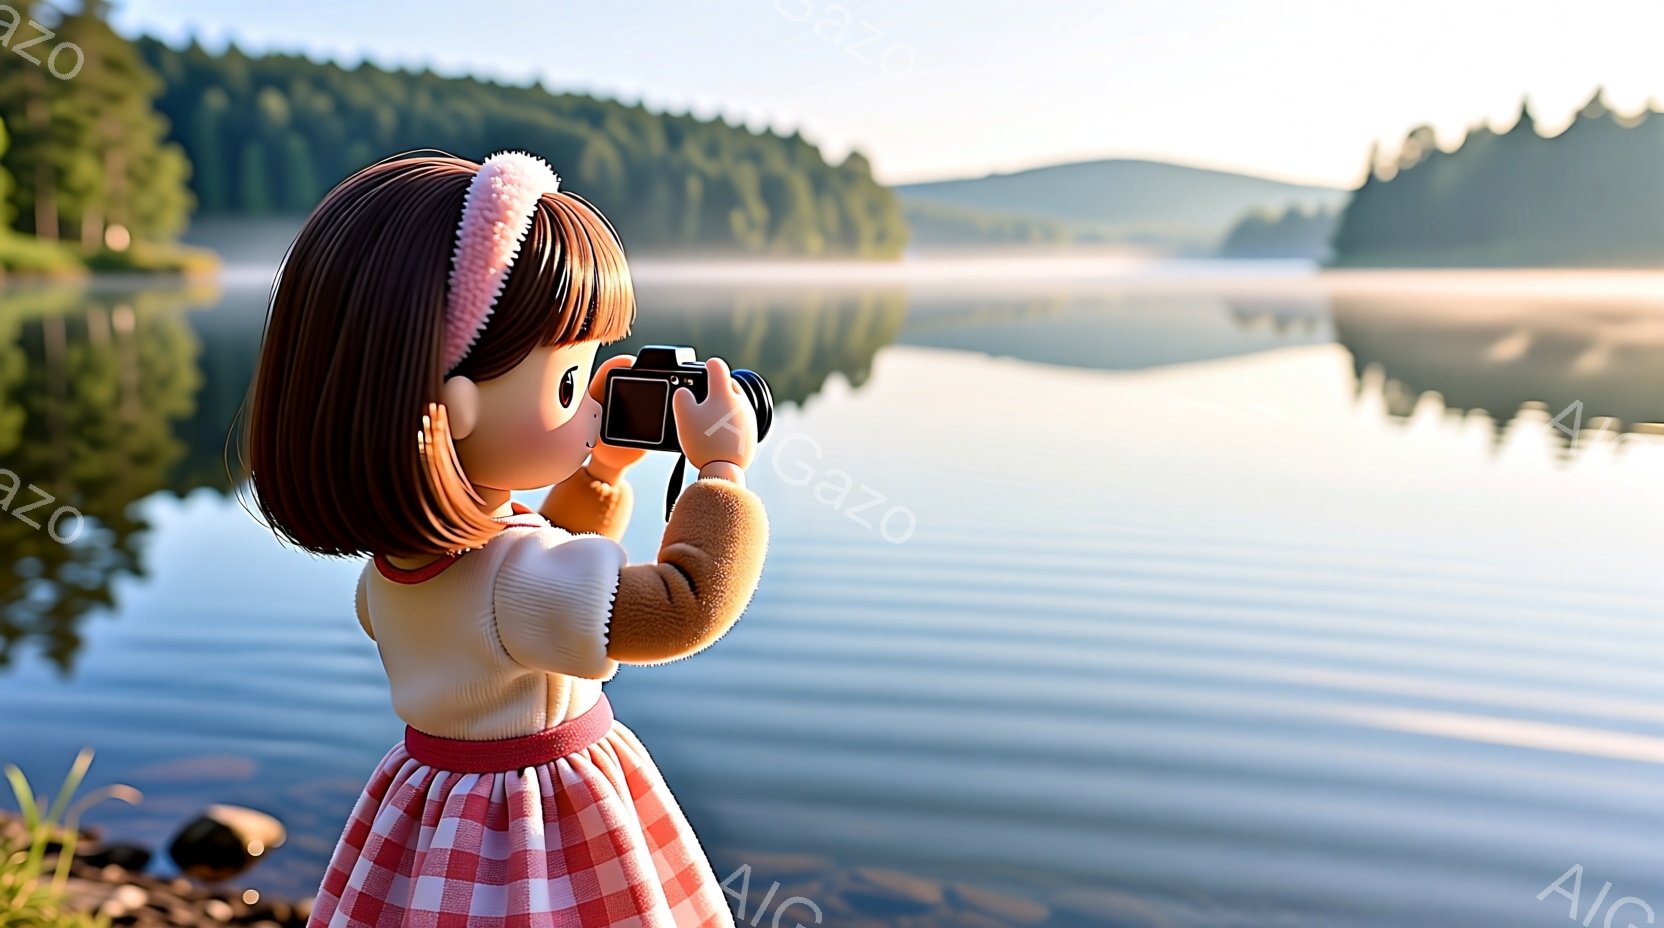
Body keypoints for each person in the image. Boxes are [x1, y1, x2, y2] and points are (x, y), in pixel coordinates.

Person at [243, 151, 766, 927]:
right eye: (568, 382)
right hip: (537, 824)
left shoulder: (397, 569)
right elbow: (680, 606)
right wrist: (721, 472)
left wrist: (599, 475)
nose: (590, 402)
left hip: (431, 806)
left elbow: (548, 582)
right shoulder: (513, 579)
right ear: (456, 407)